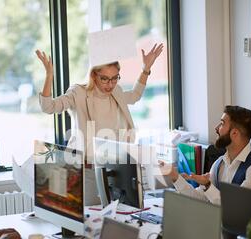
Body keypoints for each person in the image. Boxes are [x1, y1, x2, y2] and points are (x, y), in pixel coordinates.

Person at [36, 43, 164, 160]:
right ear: (94, 75)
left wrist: (146, 69)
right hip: (85, 163)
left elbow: (135, 95)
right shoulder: (78, 92)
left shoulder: (116, 91)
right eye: (104, 79)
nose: (110, 84)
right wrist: (49, 75)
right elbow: (48, 107)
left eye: (115, 78)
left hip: (113, 161)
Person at [160, 105, 251, 205]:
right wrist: (175, 176)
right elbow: (199, 199)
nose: (216, 129)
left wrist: (207, 185)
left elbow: (234, 208)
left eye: (222, 124)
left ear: (234, 133)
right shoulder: (219, 163)